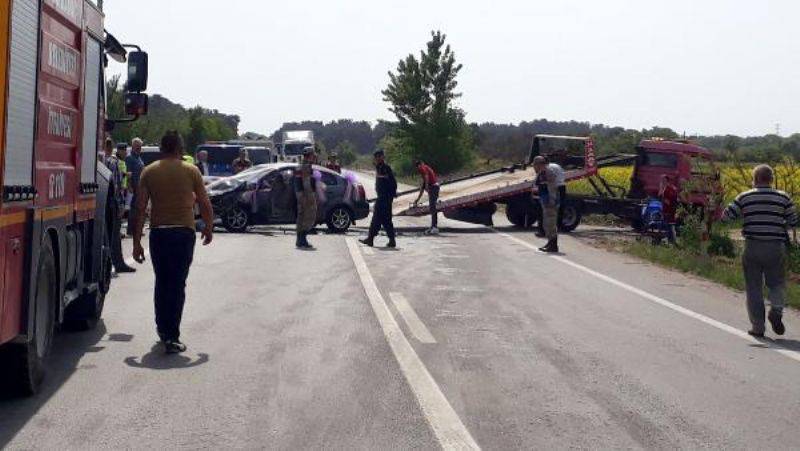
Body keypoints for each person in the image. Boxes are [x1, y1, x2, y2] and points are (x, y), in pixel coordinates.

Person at [132, 131, 214, 354]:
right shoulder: (191, 170)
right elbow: (205, 202)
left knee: (162, 282)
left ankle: (162, 328)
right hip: (183, 234)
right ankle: (172, 335)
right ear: (179, 148)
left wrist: (136, 243)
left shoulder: (149, 172)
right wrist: (208, 227)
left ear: (161, 148)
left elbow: (140, 209)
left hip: (159, 234)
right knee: (177, 285)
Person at [722, 164, 797, 338]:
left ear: (755, 179)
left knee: (753, 287)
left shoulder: (744, 196)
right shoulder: (784, 198)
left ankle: (758, 327)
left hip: (752, 246)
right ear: (771, 179)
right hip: (775, 246)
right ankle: (776, 311)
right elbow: (793, 221)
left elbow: (726, 217)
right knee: (776, 283)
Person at [102, 139, 136, 274]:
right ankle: (118, 263)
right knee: (114, 235)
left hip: (101, 204)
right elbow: (116, 186)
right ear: (111, 148)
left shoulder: (100, 161)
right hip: (112, 203)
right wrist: (121, 205)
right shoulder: (114, 162)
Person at [360, 150, 397, 248]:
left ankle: (371, 239)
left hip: (384, 199)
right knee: (385, 220)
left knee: (377, 219)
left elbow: (393, 183)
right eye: (376, 157)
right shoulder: (380, 167)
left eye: (378, 157)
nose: (376, 159)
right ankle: (389, 240)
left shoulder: (385, 168)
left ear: (382, 157)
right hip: (383, 198)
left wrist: (391, 195)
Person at [533, 156, 560, 253]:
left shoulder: (547, 173)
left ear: (540, 164)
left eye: (535, 165)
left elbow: (552, 188)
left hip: (550, 201)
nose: (534, 167)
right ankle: (550, 243)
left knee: (550, 223)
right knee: (546, 224)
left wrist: (551, 200)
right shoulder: (542, 173)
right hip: (545, 201)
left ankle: (553, 245)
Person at [293, 147, 318, 249]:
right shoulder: (306, 166)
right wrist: (309, 197)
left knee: (301, 216)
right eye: (313, 154)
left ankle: (300, 240)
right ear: (310, 155)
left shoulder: (301, 165)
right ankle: (302, 239)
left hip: (301, 194)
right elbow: (306, 183)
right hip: (305, 194)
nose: (315, 156)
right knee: (308, 216)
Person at [412, 159, 440, 235]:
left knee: (432, 207)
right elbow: (422, 189)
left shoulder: (422, 167)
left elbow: (426, 176)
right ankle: (432, 226)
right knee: (432, 207)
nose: (418, 170)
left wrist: (427, 186)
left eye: (417, 168)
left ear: (419, 165)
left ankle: (435, 227)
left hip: (434, 187)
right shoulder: (426, 168)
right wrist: (417, 200)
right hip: (435, 187)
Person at [125, 138, 146, 237]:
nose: (139, 148)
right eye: (137, 146)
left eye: (140, 146)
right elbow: (128, 172)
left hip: (141, 187)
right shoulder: (130, 158)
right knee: (134, 210)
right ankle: (131, 231)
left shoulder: (139, 158)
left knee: (139, 209)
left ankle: (137, 230)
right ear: (133, 146)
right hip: (134, 186)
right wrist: (129, 186)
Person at [658, 174, 679, 242]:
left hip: (669, 210)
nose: (662, 182)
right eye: (661, 180)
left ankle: (671, 240)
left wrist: (662, 198)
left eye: (663, 180)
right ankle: (670, 240)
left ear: (667, 180)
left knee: (669, 225)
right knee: (668, 225)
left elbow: (668, 201)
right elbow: (660, 195)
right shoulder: (666, 188)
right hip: (667, 210)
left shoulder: (669, 189)